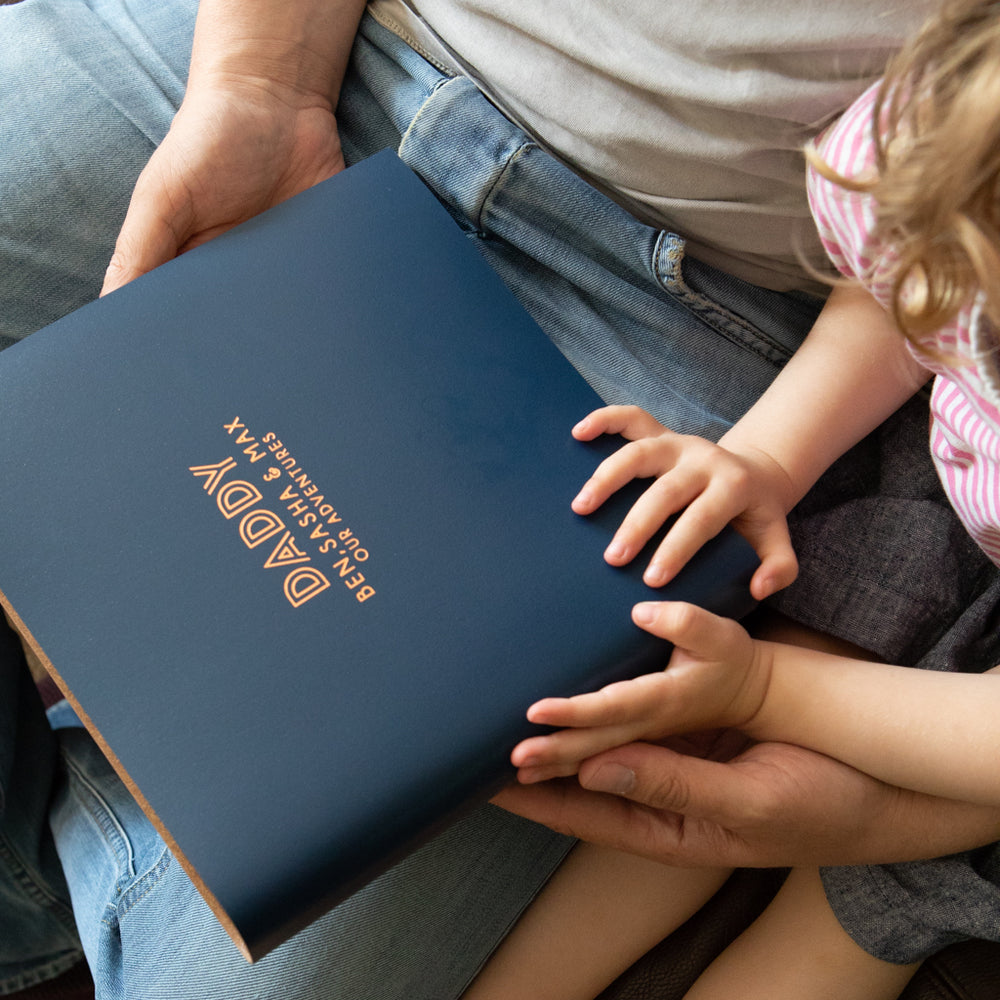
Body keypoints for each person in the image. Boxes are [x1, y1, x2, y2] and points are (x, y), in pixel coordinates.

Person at [3, 1, 1000, 998]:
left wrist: (796, 714)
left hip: (714, 325)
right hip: (364, 56)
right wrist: (259, 85)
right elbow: (909, 269)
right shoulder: (943, 137)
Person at [489, 2, 1000, 997]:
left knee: (849, 923)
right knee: (708, 757)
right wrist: (767, 456)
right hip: (942, 486)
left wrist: (771, 688)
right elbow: (913, 292)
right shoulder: (966, 117)